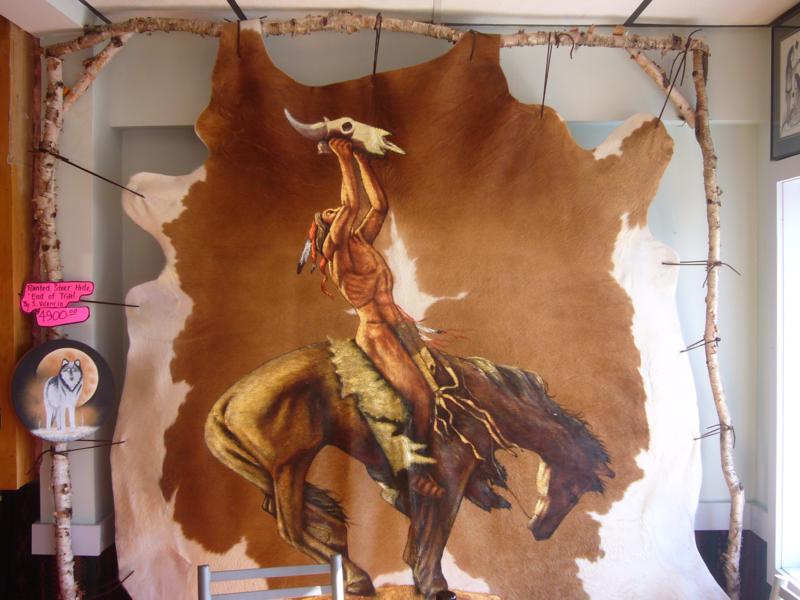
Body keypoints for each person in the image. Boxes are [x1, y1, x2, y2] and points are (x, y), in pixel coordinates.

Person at [304, 137, 444, 498]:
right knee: (422, 398)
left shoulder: (361, 243)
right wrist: (343, 157)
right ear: (327, 230)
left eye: (335, 210)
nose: (337, 211)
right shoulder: (337, 252)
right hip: (377, 334)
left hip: (399, 328)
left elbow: (379, 205)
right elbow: (351, 204)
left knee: (445, 386)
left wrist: (363, 160)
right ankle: (417, 472)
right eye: (330, 214)